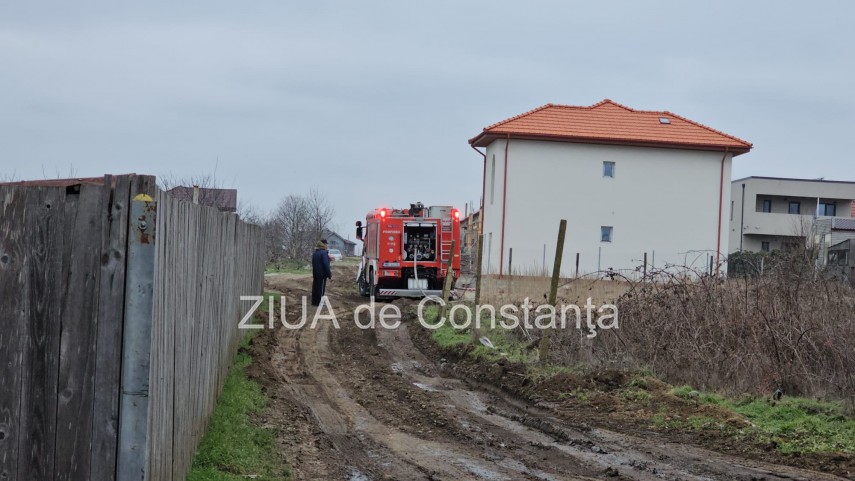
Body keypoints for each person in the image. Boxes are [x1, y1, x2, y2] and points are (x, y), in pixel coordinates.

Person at [311, 240, 332, 306]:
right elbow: (325, 264)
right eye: (326, 244)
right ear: (323, 245)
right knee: (321, 289)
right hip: (322, 274)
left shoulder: (315, 253)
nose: (327, 246)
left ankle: (314, 302)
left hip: (315, 273)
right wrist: (329, 274)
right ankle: (320, 302)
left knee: (315, 288)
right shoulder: (324, 253)